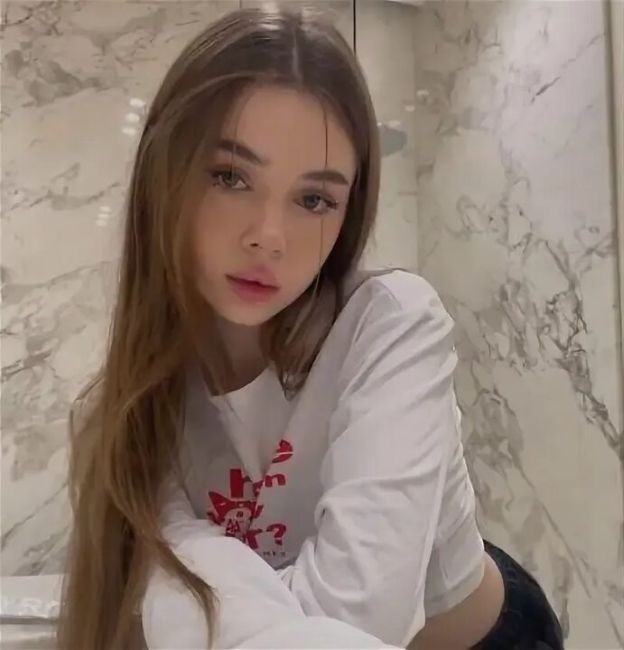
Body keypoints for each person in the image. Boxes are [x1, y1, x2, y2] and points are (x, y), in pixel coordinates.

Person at [57, 8, 564, 650]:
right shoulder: (135, 407)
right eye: (230, 177)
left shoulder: (389, 324)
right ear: (166, 177)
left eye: (314, 199)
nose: (269, 236)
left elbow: (356, 619)